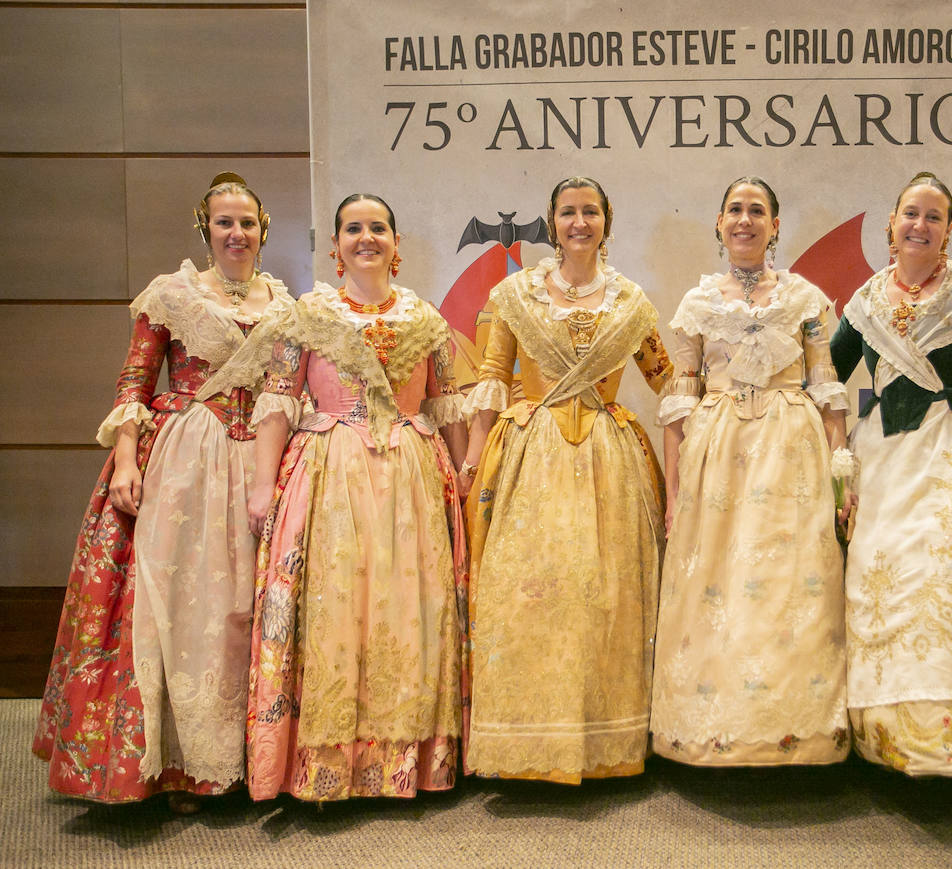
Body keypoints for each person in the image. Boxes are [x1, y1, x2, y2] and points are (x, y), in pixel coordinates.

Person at [33, 172, 290, 811]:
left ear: (264, 230)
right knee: (184, 606)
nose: (237, 232)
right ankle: (179, 767)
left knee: (248, 609)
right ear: (206, 229)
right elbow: (134, 383)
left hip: (261, 455)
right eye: (224, 222)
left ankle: (241, 762)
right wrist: (126, 463)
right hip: (186, 457)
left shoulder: (286, 305)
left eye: (247, 222)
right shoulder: (172, 295)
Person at [200, 193, 469, 801]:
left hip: (411, 480)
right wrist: (264, 486)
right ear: (335, 246)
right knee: (336, 610)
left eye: (378, 228)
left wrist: (464, 480)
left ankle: (406, 761)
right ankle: (329, 768)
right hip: (329, 475)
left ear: (397, 248)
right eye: (354, 228)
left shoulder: (425, 321)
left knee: (407, 611)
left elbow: (448, 407)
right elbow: (276, 400)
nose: (366, 237)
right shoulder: (307, 315)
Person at [461, 176, 673, 784]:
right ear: (550, 223)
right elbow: (494, 377)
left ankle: (603, 745)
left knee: (606, 595)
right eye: (567, 213)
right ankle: (529, 748)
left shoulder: (631, 302)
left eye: (590, 212)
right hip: (533, 450)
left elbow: (666, 377)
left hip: (609, 455)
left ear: (608, 221)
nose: (579, 222)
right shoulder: (514, 293)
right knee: (533, 593)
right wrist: (474, 459)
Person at [651, 176, 850, 766]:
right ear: (718, 224)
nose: (745, 220)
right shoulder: (697, 303)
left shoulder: (806, 299)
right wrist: (673, 489)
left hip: (791, 449)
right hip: (718, 450)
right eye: (735, 210)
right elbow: (679, 395)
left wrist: (843, 474)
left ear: (775, 226)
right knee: (718, 581)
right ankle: (713, 730)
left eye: (757, 211)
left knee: (790, 581)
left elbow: (826, 385)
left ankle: (798, 731)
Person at [830, 171, 952, 777]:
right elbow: (829, 378)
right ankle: (882, 737)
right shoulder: (865, 302)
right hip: (883, 453)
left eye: (933, 217)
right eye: (910, 214)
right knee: (882, 583)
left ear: (948, 231)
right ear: (891, 224)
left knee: (943, 581)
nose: (920, 225)